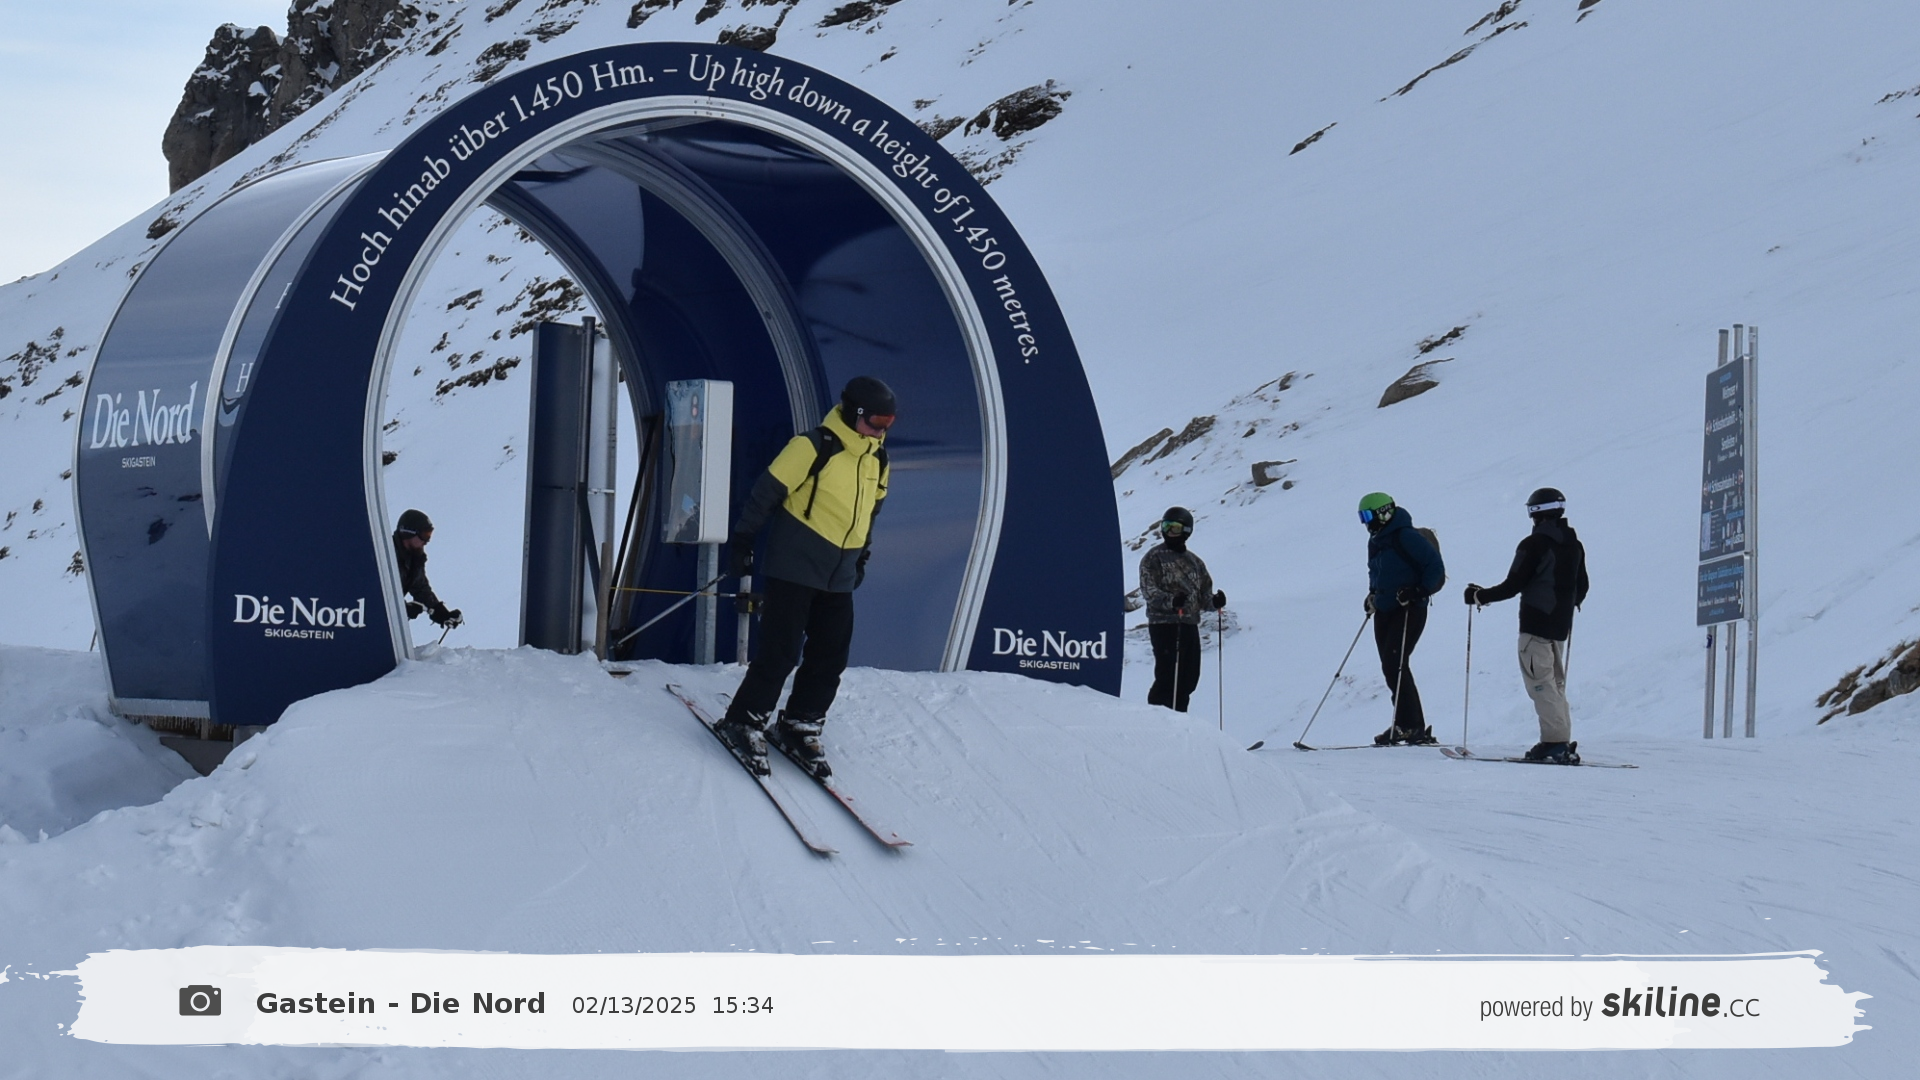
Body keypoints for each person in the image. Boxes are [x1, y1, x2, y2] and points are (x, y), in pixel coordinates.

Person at [715, 376, 895, 778]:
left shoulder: (878, 460)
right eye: (876, 422)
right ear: (854, 413)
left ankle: (801, 722)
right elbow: (766, 493)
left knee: (831, 655)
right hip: (794, 566)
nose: (881, 431)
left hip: (839, 574)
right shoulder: (812, 446)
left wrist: (861, 556)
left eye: (889, 423)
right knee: (780, 652)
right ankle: (743, 720)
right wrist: (743, 540)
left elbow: (870, 513)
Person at [1463, 487, 1590, 764]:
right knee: (1555, 684)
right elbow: (1582, 587)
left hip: (1535, 625)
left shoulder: (1533, 544)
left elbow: (1513, 585)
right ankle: (1560, 740)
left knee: (1540, 684)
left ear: (1535, 513)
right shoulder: (1574, 544)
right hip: (1560, 626)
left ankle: (1555, 743)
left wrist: (1479, 596)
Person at [1359, 492, 1444, 745]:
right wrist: (1373, 595)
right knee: (1390, 665)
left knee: (1395, 663)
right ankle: (1405, 724)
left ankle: (1411, 726)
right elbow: (1376, 572)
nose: (1366, 523)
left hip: (1409, 608)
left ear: (1383, 513)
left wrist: (1417, 591)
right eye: (1362, 517)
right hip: (1385, 609)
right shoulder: (1376, 540)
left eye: (1368, 516)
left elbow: (1435, 568)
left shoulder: (1406, 536)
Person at [1138, 506, 1226, 713]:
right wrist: (1171, 601)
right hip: (1164, 624)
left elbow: (1204, 595)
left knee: (1189, 677)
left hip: (1188, 623)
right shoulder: (1153, 558)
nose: (1169, 532)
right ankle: (1157, 716)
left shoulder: (1194, 562)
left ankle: (1179, 717)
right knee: (1168, 674)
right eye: (1166, 527)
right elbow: (1149, 591)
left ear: (1186, 530)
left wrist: (1215, 602)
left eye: (1175, 528)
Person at [392, 508, 462, 632]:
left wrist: (440, 612)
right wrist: (402, 608)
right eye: (424, 535)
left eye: (429, 535)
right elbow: (373, 593)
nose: (426, 541)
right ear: (408, 532)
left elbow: (420, 588)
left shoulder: (414, 559)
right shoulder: (384, 555)